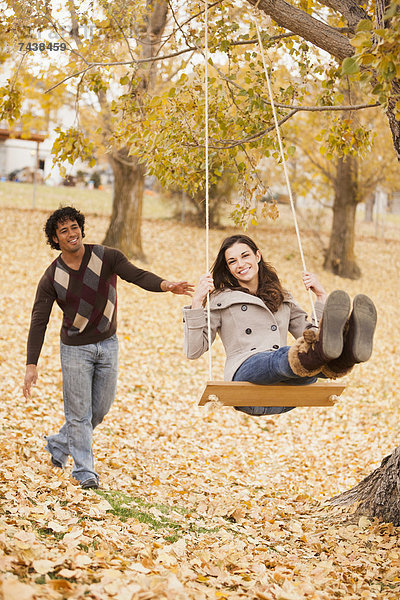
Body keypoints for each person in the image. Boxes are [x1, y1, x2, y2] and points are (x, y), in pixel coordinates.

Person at [23, 206, 194, 489]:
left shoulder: (106, 257)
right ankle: (84, 471)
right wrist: (32, 364)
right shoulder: (52, 276)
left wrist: (166, 285)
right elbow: (39, 320)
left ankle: (57, 444)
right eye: (63, 231)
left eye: (74, 227)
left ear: (81, 228)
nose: (71, 234)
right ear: (55, 240)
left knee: (98, 411)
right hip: (75, 349)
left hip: (108, 344)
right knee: (78, 414)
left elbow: (137, 275)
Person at [183, 234, 377, 416]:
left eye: (245, 256)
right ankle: (338, 351)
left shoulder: (281, 296)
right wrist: (197, 303)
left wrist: (321, 297)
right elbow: (193, 351)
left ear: (257, 256)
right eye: (232, 261)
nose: (240, 264)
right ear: (227, 268)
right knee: (282, 359)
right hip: (247, 380)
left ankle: (350, 352)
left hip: (287, 391)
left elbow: (311, 334)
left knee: (314, 356)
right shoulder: (221, 299)